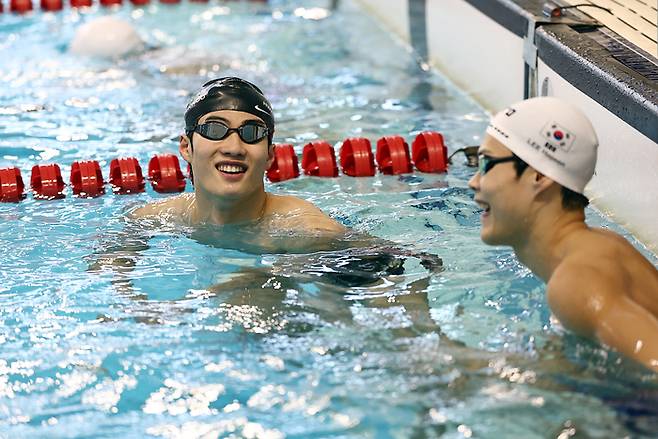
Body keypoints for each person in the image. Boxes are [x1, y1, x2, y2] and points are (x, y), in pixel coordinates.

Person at [468, 96, 658, 372]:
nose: (473, 182)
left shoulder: (577, 281)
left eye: (486, 164)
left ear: (539, 177)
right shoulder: (599, 244)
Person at [132, 76, 344, 237]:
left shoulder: (308, 230)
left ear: (270, 155)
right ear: (187, 147)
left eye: (252, 133)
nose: (234, 148)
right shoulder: (155, 219)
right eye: (215, 130)